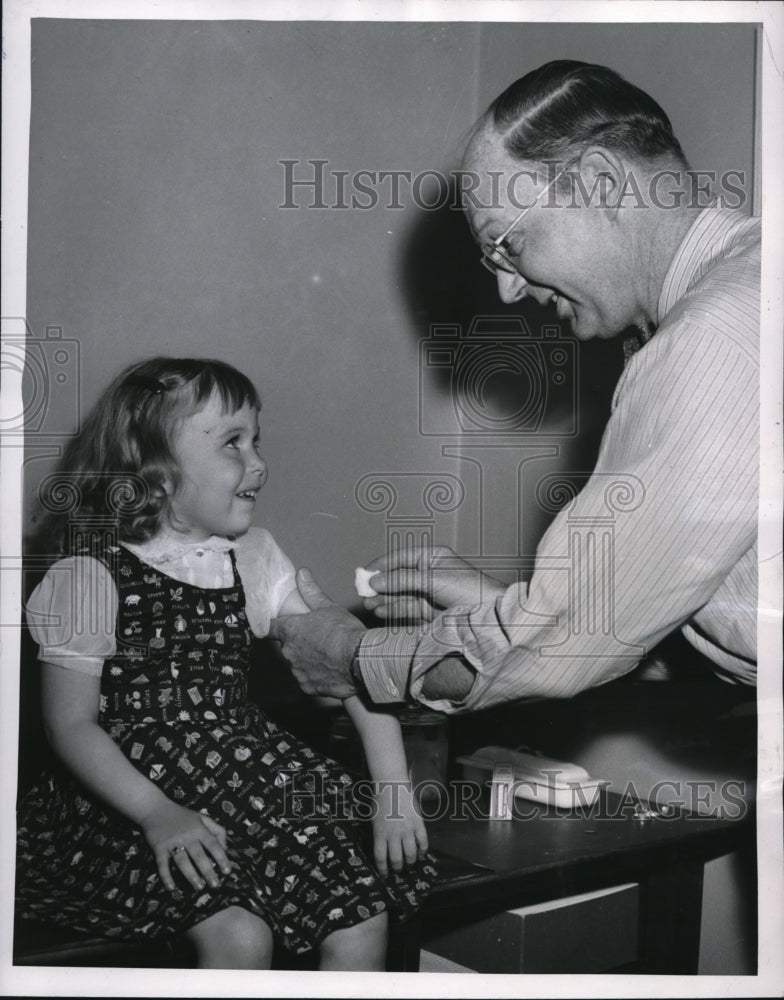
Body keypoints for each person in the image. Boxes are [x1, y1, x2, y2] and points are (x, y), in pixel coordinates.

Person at [270, 60, 759, 712]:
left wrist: (352, 659)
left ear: (600, 184)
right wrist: (516, 611)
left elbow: (569, 650)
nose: (508, 286)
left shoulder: (712, 342)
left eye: (510, 243)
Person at [17, 357, 435, 971]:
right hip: (130, 803)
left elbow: (346, 663)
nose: (259, 463)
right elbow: (70, 727)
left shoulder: (253, 557)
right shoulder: (87, 573)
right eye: (232, 443)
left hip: (248, 787)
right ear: (152, 471)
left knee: (361, 913)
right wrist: (158, 814)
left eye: (255, 439)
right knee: (239, 936)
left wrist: (393, 787)